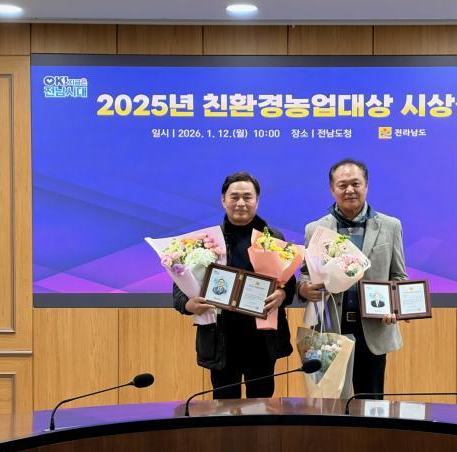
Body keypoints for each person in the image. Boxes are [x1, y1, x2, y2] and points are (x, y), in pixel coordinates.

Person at [173, 172, 295, 399]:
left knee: (262, 404)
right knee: (224, 406)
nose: (241, 203)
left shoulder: (273, 237)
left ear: (257, 201)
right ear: (223, 200)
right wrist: (188, 305)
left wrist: (282, 294)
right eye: (234, 197)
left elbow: (289, 285)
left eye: (247, 197)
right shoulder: (206, 241)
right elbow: (179, 286)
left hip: (262, 340)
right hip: (222, 338)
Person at [298, 159, 407, 399]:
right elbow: (305, 272)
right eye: (342, 185)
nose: (349, 190)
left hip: (373, 328)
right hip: (330, 327)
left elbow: (398, 275)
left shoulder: (390, 226)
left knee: (371, 404)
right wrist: (304, 289)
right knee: (331, 403)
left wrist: (394, 305)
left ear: (366, 185)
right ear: (332, 189)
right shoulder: (315, 229)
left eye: (356, 184)